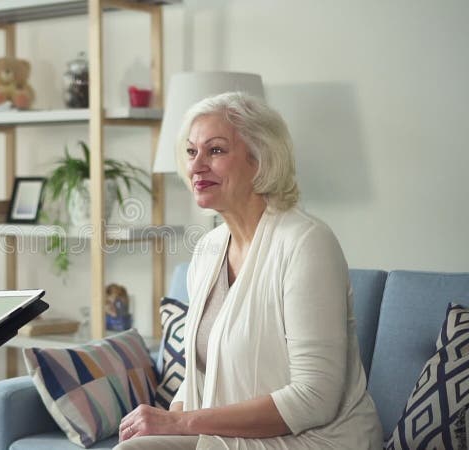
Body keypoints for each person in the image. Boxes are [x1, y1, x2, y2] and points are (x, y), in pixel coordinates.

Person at [115, 92, 382, 449]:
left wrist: (179, 422)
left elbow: (314, 398)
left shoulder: (306, 243)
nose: (196, 165)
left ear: (260, 159)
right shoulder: (208, 249)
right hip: (233, 434)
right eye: (192, 152)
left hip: (316, 439)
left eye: (216, 150)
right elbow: (199, 376)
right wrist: (168, 423)